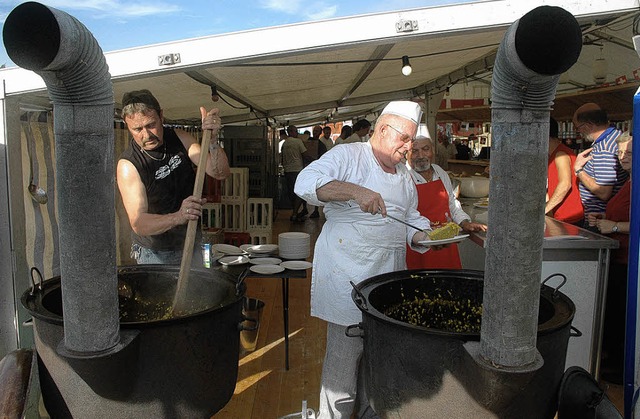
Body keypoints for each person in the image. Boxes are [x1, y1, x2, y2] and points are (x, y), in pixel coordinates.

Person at [295, 101, 432, 418]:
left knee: (379, 357)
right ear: (383, 130)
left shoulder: (404, 175)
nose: (409, 148)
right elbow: (304, 182)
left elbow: (410, 216)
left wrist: (424, 238)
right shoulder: (348, 155)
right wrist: (355, 191)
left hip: (389, 277)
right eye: (405, 139)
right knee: (344, 359)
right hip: (348, 275)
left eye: (412, 141)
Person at [117, 89, 230, 264]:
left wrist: (213, 140)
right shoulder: (129, 165)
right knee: (162, 292)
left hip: (191, 241)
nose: (146, 135)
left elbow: (220, 173)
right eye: (137, 129)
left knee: (197, 291)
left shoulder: (180, 138)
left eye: (151, 125)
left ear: (161, 116)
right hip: (155, 254)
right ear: (127, 125)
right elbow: (139, 222)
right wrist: (178, 216)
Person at [585, 131, 632, 384]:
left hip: (629, 262)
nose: (623, 157)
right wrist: (607, 221)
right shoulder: (629, 181)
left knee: (621, 315)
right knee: (614, 313)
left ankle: (621, 369)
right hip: (618, 255)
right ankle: (613, 362)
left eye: (630, 153)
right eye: (621, 152)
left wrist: (614, 226)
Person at [406, 135, 487, 269]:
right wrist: (425, 237)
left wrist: (464, 222)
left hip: (446, 242)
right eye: (414, 151)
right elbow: (407, 216)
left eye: (426, 149)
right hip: (420, 243)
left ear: (433, 151)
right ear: (406, 153)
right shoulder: (404, 177)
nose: (420, 155)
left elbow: (452, 204)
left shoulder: (439, 172)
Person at [572, 103, 628, 230]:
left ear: (588, 125)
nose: (579, 132)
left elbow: (604, 192)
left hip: (600, 221)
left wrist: (579, 170)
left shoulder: (605, 148)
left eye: (578, 127)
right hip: (602, 217)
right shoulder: (615, 136)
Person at [545, 117, 584, 224]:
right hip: (561, 217)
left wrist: (544, 209)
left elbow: (565, 185)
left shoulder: (560, 154)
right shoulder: (553, 155)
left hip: (570, 217)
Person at [282, 125, 308, 222]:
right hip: (297, 170)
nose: (297, 133)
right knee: (299, 192)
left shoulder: (285, 143)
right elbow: (305, 154)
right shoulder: (298, 142)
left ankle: (298, 211)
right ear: (292, 132)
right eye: (296, 131)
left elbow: (282, 157)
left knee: (291, 192)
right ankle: (295, 213)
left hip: (288, 171)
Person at [303, 125, 328, 219]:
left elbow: (323, 158)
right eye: (314, 130)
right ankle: (304, 208)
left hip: (317, 170)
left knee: (315, 189)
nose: (315, 132)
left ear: (320, 132)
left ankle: (316, 210)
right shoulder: (306, 142)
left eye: (317, 131)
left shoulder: (321, 145)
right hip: (306, 168)